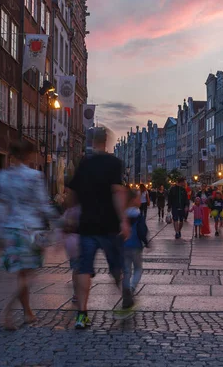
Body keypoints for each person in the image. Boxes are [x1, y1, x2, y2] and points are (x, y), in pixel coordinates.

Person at [67, 126, 130, 329]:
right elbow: (117, 192)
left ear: (92, 142)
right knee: (117, 267)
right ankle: (126, 298)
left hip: (87, 225)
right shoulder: (114, 163)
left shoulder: (84, 163)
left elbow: (72, 194)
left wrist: (69, 216)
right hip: (109, 225)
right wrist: (123, 220)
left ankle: (82, 314)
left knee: (84, 269)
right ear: (106, 142)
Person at [0, 140, 58, 330]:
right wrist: (60, 221)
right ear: (29, 155)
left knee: (21, 274)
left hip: (11, 231)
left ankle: (28, 312)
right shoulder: (34, 176)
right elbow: (43, 205)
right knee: (29, 275)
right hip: (30, 231)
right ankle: (7, 309)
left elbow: (0, 205)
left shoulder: (3, 176)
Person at [116, 191, 147, 319]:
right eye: (138, 199)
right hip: (135, 245)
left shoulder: (122, 214)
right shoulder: (138, 214)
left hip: (124, 246)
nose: (140, 201)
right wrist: (146, 241)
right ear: (134, 200)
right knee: (138, 269)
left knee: (126, 271)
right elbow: (142, 230)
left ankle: (126, 290)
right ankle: (132, 288)